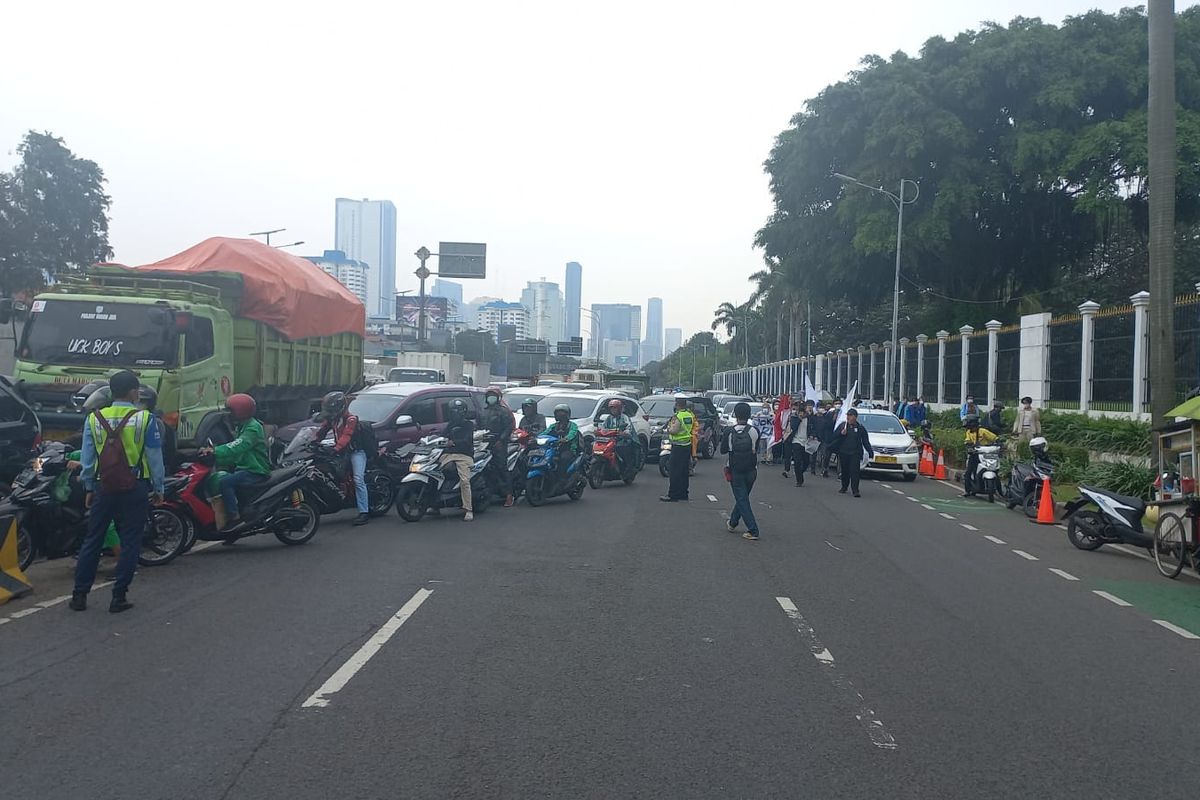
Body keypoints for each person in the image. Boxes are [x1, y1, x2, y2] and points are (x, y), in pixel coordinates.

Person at [71, 370, 165, 614]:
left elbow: (88, 460)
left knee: (93, 539)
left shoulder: (93, 419)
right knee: (131, 539)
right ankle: (118, 597)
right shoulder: (145, 418)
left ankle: (79, 595)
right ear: (133, 391)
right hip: (135, 486)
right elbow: (155, 458)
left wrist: (90, 487)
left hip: (105, 486)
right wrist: (159, 488)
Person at [204, 394, 272, 536]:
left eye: (232, 411)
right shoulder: (243, 425)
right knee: (220, 477)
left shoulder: (252, 428)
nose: (229, 415)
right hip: (244, 467)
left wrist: (216, 451)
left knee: (226, 482)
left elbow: (238, 446)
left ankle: (234, 517)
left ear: (241, 411)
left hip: (255, 470)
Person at [315, 391, 370, 526]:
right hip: (341, 451)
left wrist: (336, 449)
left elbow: (347, 436)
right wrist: (313, 441)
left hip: (355, 452)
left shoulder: (351, 419)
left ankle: (364, 512)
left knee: (358, 480)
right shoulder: (332, 418)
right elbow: (322, 431)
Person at [721, 402, 761, 541]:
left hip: (735, 468)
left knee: (742, 498)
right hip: (751, 470)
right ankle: (732, 522)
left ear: (735, 415)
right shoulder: (754, 430)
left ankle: (753, 530)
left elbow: (723, 450)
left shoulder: (728, 431)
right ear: (749, 415)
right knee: (742, 498)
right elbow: (757, 448)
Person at [480, 387, 516, 507]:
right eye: (489, 395)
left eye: (493, 396)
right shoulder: (483, 411)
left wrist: (501, 440)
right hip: (485, 443)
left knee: (501, 468)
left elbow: (509, 427)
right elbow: (479, 427)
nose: (491, 398)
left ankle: (509, 495)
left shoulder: (503, 411)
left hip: (499, 444)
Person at [442, 398, 476, 521]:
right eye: (452, 411)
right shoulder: (450, 425)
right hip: (448, 455)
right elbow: (442, 436)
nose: (453, 414)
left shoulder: (469, 425)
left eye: (455, 411)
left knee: (464, 481)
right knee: (433, 473)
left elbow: (467, 441)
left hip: (464, 456)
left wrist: (454, 442)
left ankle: (468, 509)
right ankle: (433, 504)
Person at [661, 395, 695, 502]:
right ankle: (684, 493)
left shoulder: (678, 416)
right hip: (687, 445)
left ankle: (673, 494)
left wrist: (668, 429)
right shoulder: (689, 415)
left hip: (677, 446)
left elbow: (674, 430)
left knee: (674, 471)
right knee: (684, 471)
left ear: (677, 404)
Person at [834, 408, 874, 497]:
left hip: (855, 453)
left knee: (855, 472)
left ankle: (855, 490)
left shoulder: (860, 428)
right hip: (844, 452)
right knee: (845, 471)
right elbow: (834, 437)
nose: (848, 417)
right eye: (847, 415)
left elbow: (865, 441)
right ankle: (844, 487)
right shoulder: (843, 426)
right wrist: (841, 434)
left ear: (855, 417)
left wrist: (870, 452)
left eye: (850, 415)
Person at [961, 414, 999, 497]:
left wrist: (999, 443)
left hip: (985, 454)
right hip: (974, 454)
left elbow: (994, 438)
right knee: (968, 472)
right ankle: (967, 491)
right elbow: (967, 441)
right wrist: (969, 445)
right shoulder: (968, 432)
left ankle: (1000, 491)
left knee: (995, 469)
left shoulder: (983, 431)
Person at [598, 398, 637, 471]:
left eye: (615, 408)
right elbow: (603, 427)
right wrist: (599, 431)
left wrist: (625, 432)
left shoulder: (624, 417)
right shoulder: (609, 418)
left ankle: (625, 467)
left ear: (619, 409)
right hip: (609, 439)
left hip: (621, 439)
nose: (613, 410)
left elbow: (629, 428)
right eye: (611, 408)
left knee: (621, 448)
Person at [548, 403, 582, 481]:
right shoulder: (553, 426)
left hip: (568, 449)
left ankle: (563, 478)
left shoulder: (572, 425)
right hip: (554, 448)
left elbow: (572, 434)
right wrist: (536, 438)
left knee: (563, 459)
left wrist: (565, 439)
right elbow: (545, 433)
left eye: (562, 413)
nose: (560, 415)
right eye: (558, 413)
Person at [782, 404, 810, 486]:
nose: (801, 414)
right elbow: (793, 427)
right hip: (796, 441)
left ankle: (800, 471)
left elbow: (813, 428)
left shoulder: (810, 418)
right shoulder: (794, 418)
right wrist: (799, 419)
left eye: (803, 412)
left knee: (806, 461)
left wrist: (813, 435)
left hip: (807, 442)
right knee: (797, 461)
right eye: (800, 412)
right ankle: (799, 480)